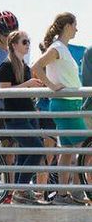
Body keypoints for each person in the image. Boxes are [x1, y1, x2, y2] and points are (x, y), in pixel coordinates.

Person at [32, 12, 89, 205]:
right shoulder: (57, 48)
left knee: (67, 152)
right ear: (67, 26)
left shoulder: (62, 48)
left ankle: (63, 194)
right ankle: (77, 191)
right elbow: (37, 66)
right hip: (65, 103)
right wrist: (51, 86)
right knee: (86, 147)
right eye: (75, 25)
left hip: (69, 103)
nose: (77, 29)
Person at [0, 31, 44, 204]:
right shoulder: (6, 66)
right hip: (16, 118)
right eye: (24, 41)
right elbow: (4, 92)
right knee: (37, 149)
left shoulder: (24, 66)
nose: (27, 44)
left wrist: (35, 87)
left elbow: (23, 90)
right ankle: (21, 189)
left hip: (28, 115)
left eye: (28, 41)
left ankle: (20, 192)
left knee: (24, 154)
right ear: (14, 44)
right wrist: (28, 85)